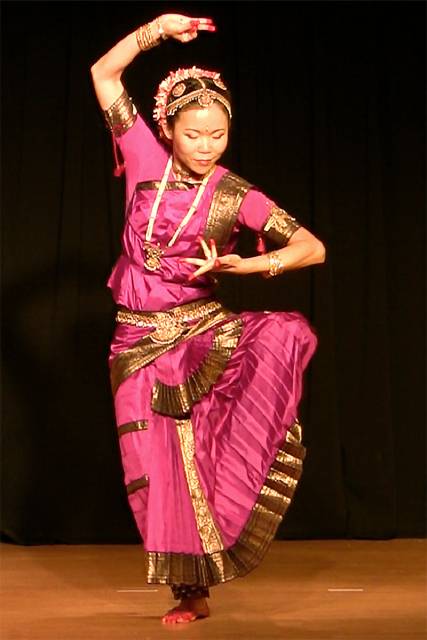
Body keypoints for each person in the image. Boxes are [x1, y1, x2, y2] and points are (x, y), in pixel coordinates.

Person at [90, 12, 326, 625]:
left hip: (200, 334)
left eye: (217, 134)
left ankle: (194, 593)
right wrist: (157, 30)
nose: (205, 146)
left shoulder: (233, 192)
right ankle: (186, 586)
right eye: (194, 134)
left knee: (193, 457)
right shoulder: (143, 157)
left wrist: (250, 269)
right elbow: (104, 72)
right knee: (149, 466)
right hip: (134, 339)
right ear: (168, 129)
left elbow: (311, 246)